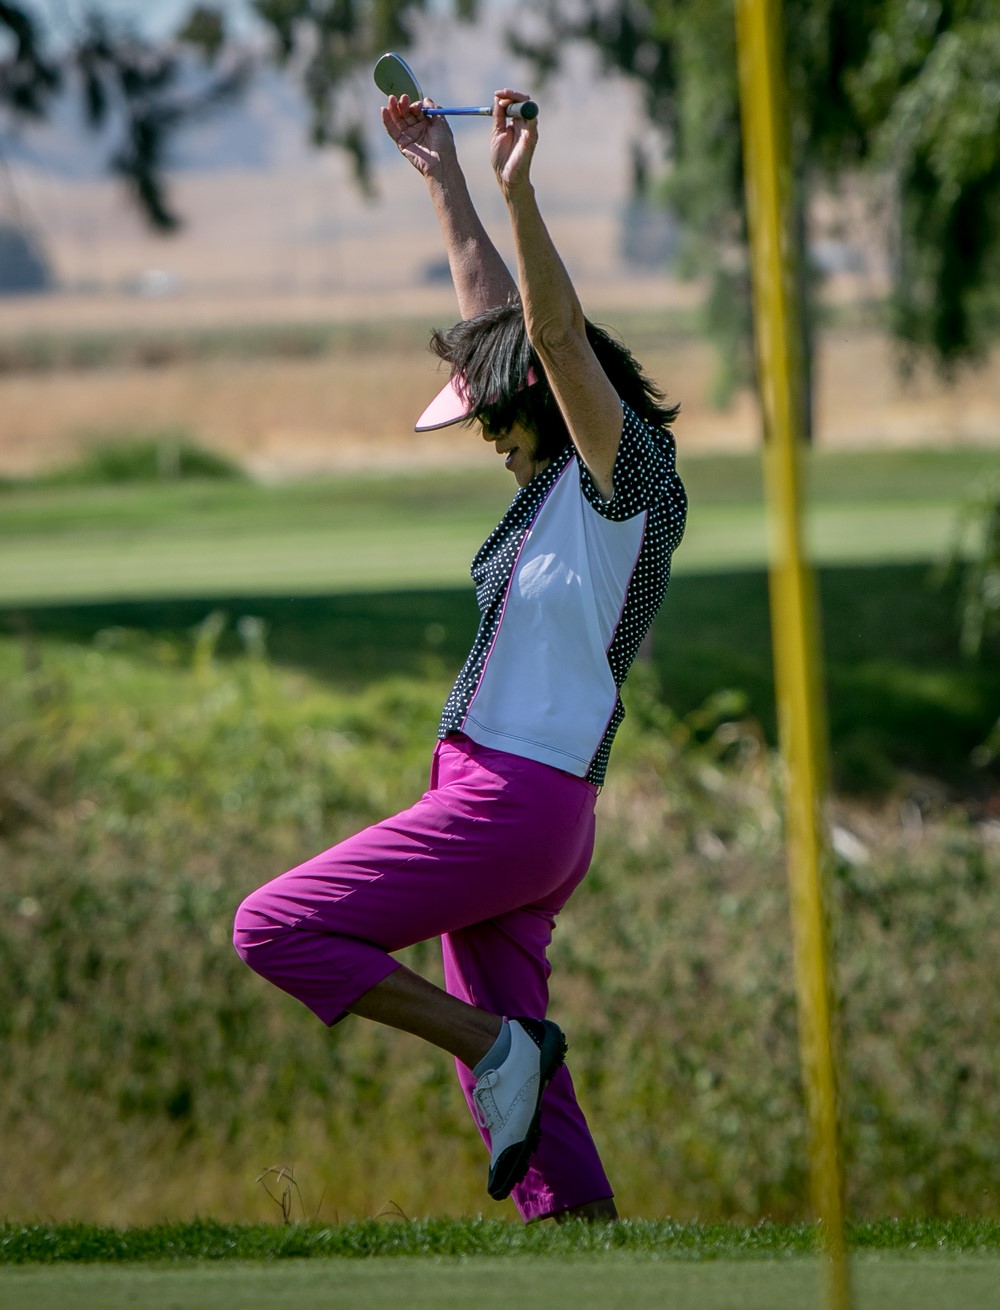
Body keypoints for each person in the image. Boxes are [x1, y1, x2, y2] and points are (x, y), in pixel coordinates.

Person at [233, 85, 687, 1224]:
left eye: (492, 417)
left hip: (514, 801)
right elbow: (504, 326)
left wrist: (520, 186)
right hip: (518, 804)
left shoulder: (625, 487)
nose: (484, 434)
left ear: (541, 404)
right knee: (531, 1103)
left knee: (276, 925)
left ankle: (498, 1042)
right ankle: (581, 1233)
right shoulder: (552, 486)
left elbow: (549, 336)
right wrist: (444, 174)